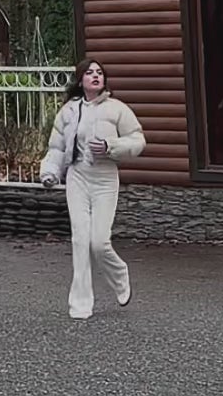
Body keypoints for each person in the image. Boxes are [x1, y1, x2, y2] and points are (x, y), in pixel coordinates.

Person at [40, 57, 145, 319]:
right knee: (80, 240)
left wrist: (111, 147)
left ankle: (119, 275)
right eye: (89, 73)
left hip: (105, 179)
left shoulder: (117, 109)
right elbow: (57, 147)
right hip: (77, 176)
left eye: (99, 72)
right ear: (80, 80)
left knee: (99, 242)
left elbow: (137, 140)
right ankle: (80, 304)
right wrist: (50, 171)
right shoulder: (68, 111)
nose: (96, 76)